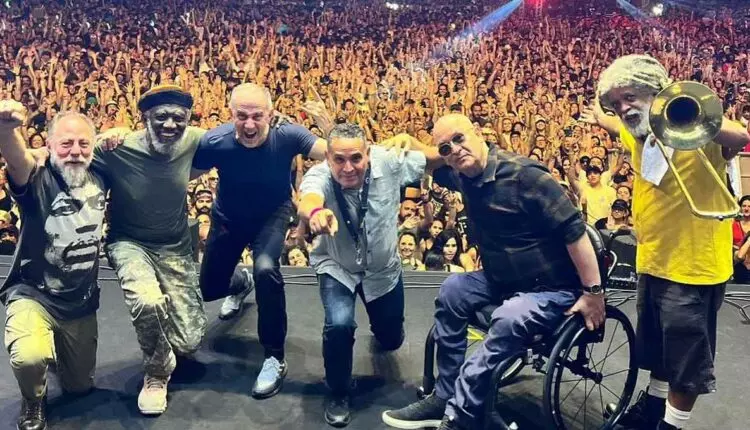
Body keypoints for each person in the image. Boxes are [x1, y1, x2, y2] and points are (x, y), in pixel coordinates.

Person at [382, 114, 605, 430]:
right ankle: (444, 395)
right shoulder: (462, 174)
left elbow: (575, 232)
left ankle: (461, 415)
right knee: (452, 289)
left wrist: (594, 293)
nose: (455, 150)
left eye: (460, 139)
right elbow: (431, 158)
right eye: (446, 148)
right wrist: (411, 142)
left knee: (509, 316)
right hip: (503, 279)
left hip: (553, 287)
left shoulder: (525, 177)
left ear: (478, 132)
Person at [595, 54, 750, 430]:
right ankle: (652, 411)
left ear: (656, 93)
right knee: (659, 350)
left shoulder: (699, 135)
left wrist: (687, 115)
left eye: (630, 97)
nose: (623, 108)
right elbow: (613, 123)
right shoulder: (638, 135)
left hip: (692, 269)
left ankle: (671, 426)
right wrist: (601, 111)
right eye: (616, 103)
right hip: (654, 262)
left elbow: (740, 136)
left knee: (685, 361)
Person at [192, 83, 330, 399]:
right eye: (242, 116)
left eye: (257, 116)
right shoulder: (216, 141)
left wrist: (327, 125)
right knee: (210, 288)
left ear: (271, 113)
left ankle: (274, 357)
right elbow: (180, 173)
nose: (250, 124)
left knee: (266, 269)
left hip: (272, 216)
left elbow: (336, 153)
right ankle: (241, 284)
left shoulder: (288, 135)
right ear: (231, 114)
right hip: (228, 218)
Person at [297, 123, 437, 427]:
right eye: (339, 160)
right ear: (328, 158)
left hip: (382, 270)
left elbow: (435, 159)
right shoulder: (319, 175)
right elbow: (308, 200)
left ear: (369, 154)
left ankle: (386, 331)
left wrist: (412, 139)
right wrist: (316, 214)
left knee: (391, 340)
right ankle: (338, 391)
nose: (348, 168)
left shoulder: (390, 161)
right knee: (339, 324)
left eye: (356, 158)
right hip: (338, 265)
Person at [91, 85, 219, 415]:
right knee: (147, 301)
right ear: (144, 117)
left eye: (179, 118)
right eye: (161, 117)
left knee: (189, 342)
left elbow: (240, 137)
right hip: (129, 243)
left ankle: (239, 282)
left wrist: (277, 124)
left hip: (175, 247)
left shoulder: (195, 140)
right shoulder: (117, 147)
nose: (170, 124)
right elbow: (70, 151)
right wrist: (105, 134)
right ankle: (156, 374)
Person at [0, 101, 106, 430]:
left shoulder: (102, 174)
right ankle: (34, 398)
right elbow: (17, 161)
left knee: (80, 387)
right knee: (29, 357)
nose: (75, 151)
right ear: (49, 145)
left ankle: (57, 353)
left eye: (83, 143)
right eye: (66, 143)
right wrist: (6, 130)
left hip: (79, 301)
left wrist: (116, 134)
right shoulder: (38, 178)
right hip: (34, 293)